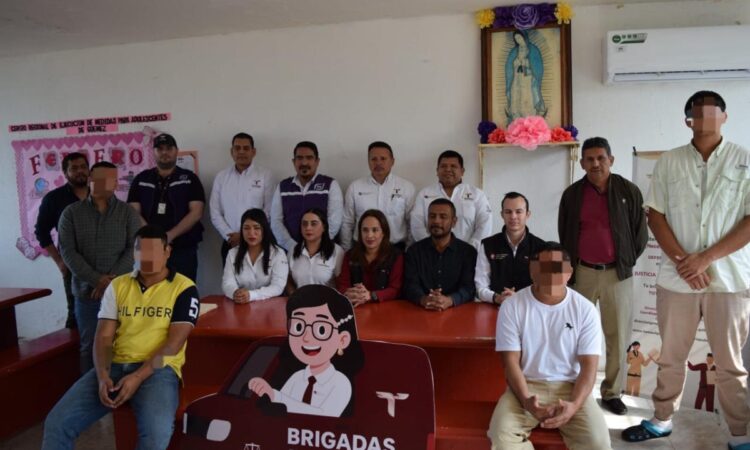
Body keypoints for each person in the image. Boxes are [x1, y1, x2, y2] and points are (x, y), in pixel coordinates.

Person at [623, 91, 750, 449]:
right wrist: (685, 262)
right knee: (671, 356)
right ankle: (662, 419)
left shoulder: (745, 160)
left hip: (729, 280)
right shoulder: (670, 162)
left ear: (725, 117)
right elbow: (655, 215)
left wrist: (705, 259)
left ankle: (740, 433)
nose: (705, 119)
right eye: (698, 113)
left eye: (713, 112)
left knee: (729, 363)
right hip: (677, 279)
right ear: (687, 120)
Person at [42, 225, 200, 450]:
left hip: (157, 370)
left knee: (156, 436)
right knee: (57, 423)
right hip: (115, 365)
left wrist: (138, 376)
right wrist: (103, 375)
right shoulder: (118, 285)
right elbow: (104, 336)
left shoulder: (184, 288)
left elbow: (173, 346)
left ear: (167, 252)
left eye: (154, 251)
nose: (147, 258)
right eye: (141, 251)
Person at [487, 243, 611, 450]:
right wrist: (526, 400)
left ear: (569, 273)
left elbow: (589, 367)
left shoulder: (585, 310)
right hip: (526, 386)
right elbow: (510, 363)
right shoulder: (512, 306)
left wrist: (574, 406)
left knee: (598, 442)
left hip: (570, 387)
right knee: (501, 435)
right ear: (532, 271)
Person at [558, 136, 648, 415]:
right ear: (582, 163)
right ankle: (574, 390)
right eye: (590, 159)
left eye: (601, 158)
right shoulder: (572, 194)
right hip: (582, 273)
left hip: (617, 275)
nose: (595, 163)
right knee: (574, 333)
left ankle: (611, 392)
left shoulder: (628, 191)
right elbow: (565, 232)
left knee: (617, 336)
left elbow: (640, 233)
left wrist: (625, 261)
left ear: (611, 159)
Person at [58, 161, 141, 373]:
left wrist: (110, 282)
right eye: (102, 178)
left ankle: (120, 387)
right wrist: (97, 280)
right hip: (87, 295)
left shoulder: (127, 212)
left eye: (112, 179)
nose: (108, 183)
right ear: (90, 179)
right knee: (89, 346)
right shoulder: (71, 213)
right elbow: (68, 252)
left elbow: (134, 248)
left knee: (124, 345)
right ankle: (92, 388)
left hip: (122, 293)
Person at [248, 284, 364, 417]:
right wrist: (267, 393)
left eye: (321, 329)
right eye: (298, 327)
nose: (306, 338)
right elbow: (280, 411)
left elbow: (324, 416)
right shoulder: (296, 377)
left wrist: (275, 396)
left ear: (342, 340)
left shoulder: (340, 383)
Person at [127, 133, 205, 281]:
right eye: (160, 149)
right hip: (148, 246)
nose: (164, 152)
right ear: (153, 152)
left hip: (183, 247)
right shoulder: (141, 179)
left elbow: (197, 212)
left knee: (182, 288)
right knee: (149, 288)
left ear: (176, 151)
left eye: (169, 148)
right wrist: (153, 236)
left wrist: (170, 236)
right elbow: (132, 211)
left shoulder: (190, 178)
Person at [34, 152, 89, 328]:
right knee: (75, 313)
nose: (80, 171)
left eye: (83, 167)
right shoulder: (54, 198)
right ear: (65, 173)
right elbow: (41, 232)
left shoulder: (100, 195)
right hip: (72, 265)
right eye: (74, 168)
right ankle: (75, 346)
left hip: (102, 263)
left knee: (107, 311)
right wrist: (59, 262)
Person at [210, 132, 274, 265]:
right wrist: (229, 235)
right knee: (231, 278)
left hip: (259, 241)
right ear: (231, 151)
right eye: (237, 148)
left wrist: (248, 233)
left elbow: (269, 209)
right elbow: (215, 212)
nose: (241, 152)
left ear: (253, 152)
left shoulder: (265, 175)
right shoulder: (221, 177)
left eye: (246, 148)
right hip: (230, 242)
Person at [340, 141, 416, 250]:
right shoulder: (355, 187)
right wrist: (347, 250)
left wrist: (408, 251)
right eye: (374, 159)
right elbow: (347, 222)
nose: (378, 163)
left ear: (392, 161)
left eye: (383, 159)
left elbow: (412, 223)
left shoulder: (406, 187)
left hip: (395, 249)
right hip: (362, 249)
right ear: (368, 161)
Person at [404, 199, 477, 311]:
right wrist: (424, 299)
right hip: (420, 311)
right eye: (432, 216)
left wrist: (450, 300)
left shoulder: (468, 252)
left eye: (443, 217)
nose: (436, 221)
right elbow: (410, 285)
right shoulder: (414, 251)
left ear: (454, 221)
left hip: (458, 312)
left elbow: (469, 288)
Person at [410, 150, 492, 249]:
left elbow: (484, 225)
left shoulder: (477, 195)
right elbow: (417, 225)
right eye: (443, 166)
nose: (448, 170)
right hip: (430, 253)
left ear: (462, 171)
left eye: (453, 166)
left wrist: (470, 250)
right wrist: (432, 248)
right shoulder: (424, 194)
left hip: (469, 253)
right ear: (437, 171)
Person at [271, 141, 343, 251]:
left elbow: (335, 221)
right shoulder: (283, 186)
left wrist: (317, 246)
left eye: (309, 158)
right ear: (294, 161)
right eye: (299, 158)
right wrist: (292, 246)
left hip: (323, 251)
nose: (304, 162)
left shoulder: (330, 185)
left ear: (317, 161)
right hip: (290, 251)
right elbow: (276, 222)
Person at [475, 192, 545, 306]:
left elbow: (545, 286)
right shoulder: (488, 245)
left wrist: (519, 297)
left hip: (530, 307)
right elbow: (480, 286)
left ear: (527, 214)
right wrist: (497, 298)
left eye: (518, 211)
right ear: (502, 214)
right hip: (495, 307)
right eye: (508, 212)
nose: (513, 216)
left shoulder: (541, 247)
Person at [336, 209, 404, 306]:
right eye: (365, 230)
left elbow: (396, 289)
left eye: (375, 230)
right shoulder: (350, 255)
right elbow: (342, 286)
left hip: (385, 308)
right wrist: (350, 294)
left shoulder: (396, 256)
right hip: (357, 307)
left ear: (383, 233)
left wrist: (371, 295)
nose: (369, 235)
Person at [222, 208, 289, 303]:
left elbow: (278, 286)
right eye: (246, 228)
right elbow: (227, 282)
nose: (251, 233)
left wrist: (251, 295)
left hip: (270, 306)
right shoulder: (232, 253)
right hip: (241, 304)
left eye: (256, 228)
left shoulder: (278, 253)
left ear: (264, 230)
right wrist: (236, 293)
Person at [287, 208, 344, 293]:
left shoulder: (336, 251)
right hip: (299, 300)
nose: (308, 228)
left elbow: (341, 283)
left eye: (314, 224)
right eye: (304, 224)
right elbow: (288, 279)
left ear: (324, 227)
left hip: (327, 300)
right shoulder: (293, 250)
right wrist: (294, 296)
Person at [505, 30, 546, 123]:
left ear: (524, 37)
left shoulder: (533, 50)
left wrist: (527, 68)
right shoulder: (514, 51)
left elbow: (537, 68)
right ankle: (516, 120)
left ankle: (528, 120)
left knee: (526, 97)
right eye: (516, 38)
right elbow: (508, 67)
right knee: (515, 96)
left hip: (527, 79)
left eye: (519, 37)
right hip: (516, 79)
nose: (518, 40)